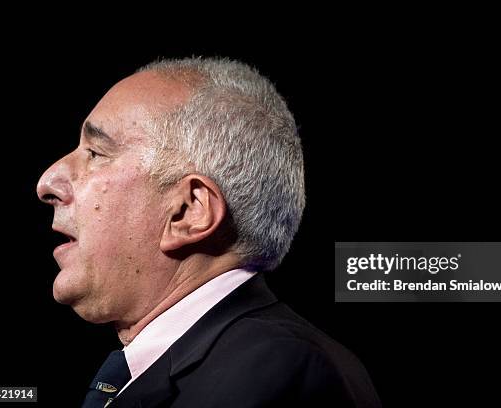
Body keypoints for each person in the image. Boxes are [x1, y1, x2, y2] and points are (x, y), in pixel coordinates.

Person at [36, 57, 381, 407]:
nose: (46, 183)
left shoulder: (282, 372)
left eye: (96, 152)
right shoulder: (228, 364)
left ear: (188, 212)